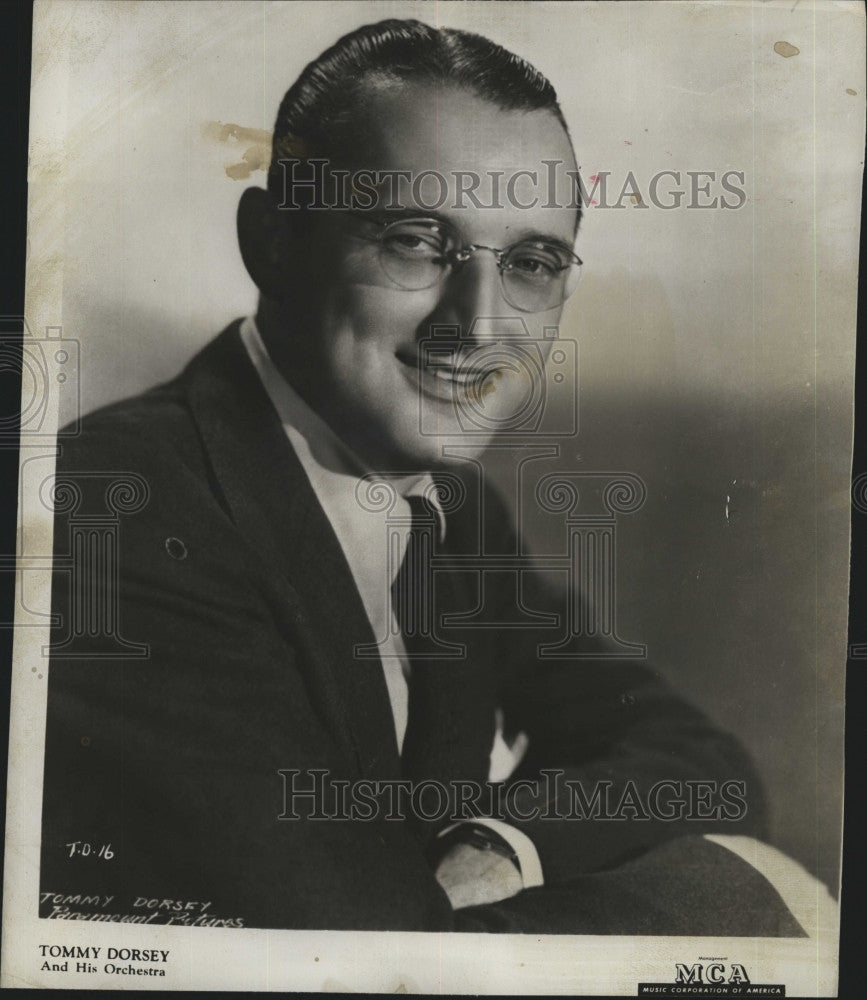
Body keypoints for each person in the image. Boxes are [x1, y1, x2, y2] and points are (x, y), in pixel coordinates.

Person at [39, 18, 805, 934]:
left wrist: (503, 841)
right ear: (272, 245)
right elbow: (350, 946)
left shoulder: (449, 508)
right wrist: (753, 900)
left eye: (530, 262)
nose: (476, 327)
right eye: (414, 240)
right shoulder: (115, 513)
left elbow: (697, 763)